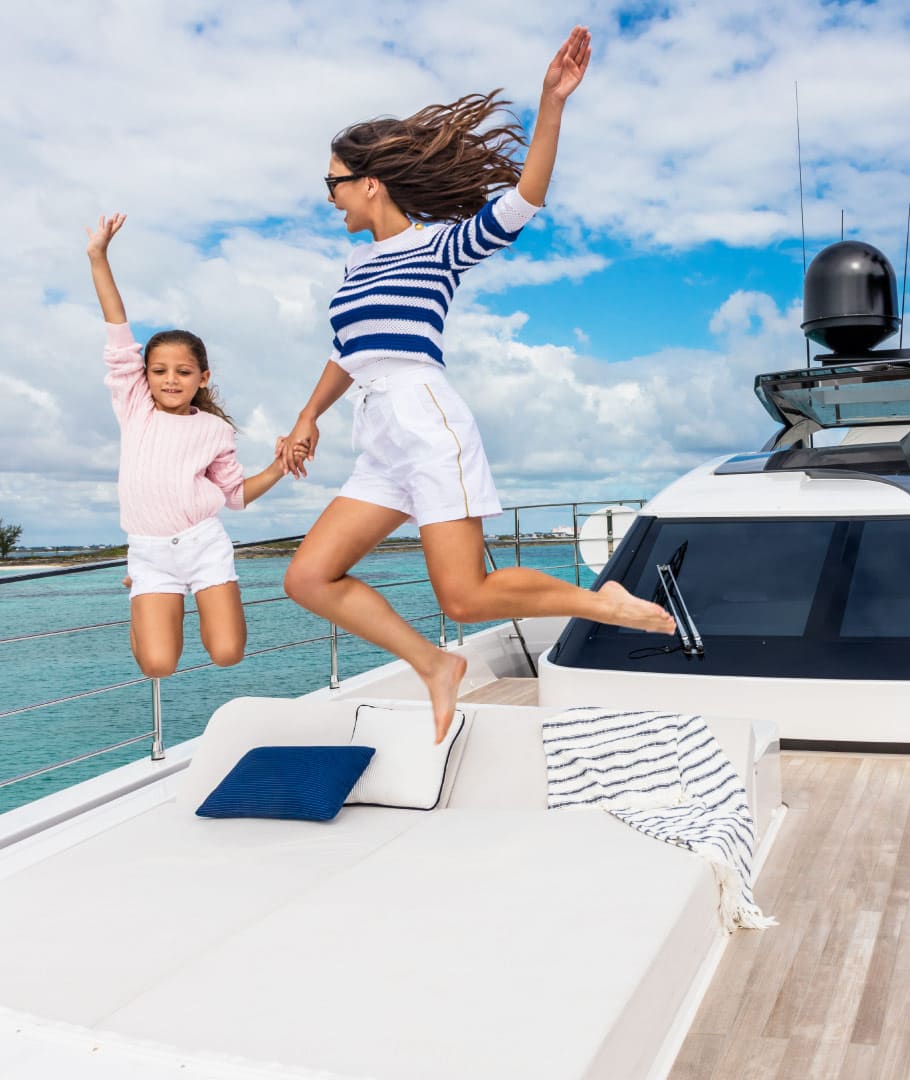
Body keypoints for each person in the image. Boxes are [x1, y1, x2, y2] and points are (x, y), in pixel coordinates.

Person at [278, 27, 673, 743]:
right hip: (379, 435)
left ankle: (600, 602)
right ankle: (434, 666)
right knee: (308, 577)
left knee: (464, 596)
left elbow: (524, 201)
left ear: (371, 183)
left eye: (334, 182)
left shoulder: (436, 246)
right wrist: (308, 417)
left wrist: (551, 105)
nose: (330, 198)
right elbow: (347, 351)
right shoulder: (353, 270)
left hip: (425, 420)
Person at [86, 214, 289, 679]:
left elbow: (235, 496)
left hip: (203, 544)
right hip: (149, 552)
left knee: (227, 653)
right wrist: (99, 257)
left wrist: (279, 466)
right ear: (145, 377)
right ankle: (138, 599)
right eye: (159, 371)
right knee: (158, 665)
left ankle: (166, 600)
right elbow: (118, 333)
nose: (170, 379)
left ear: (203, 377)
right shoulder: (135, 407)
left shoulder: (215, 431)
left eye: (182, 371)